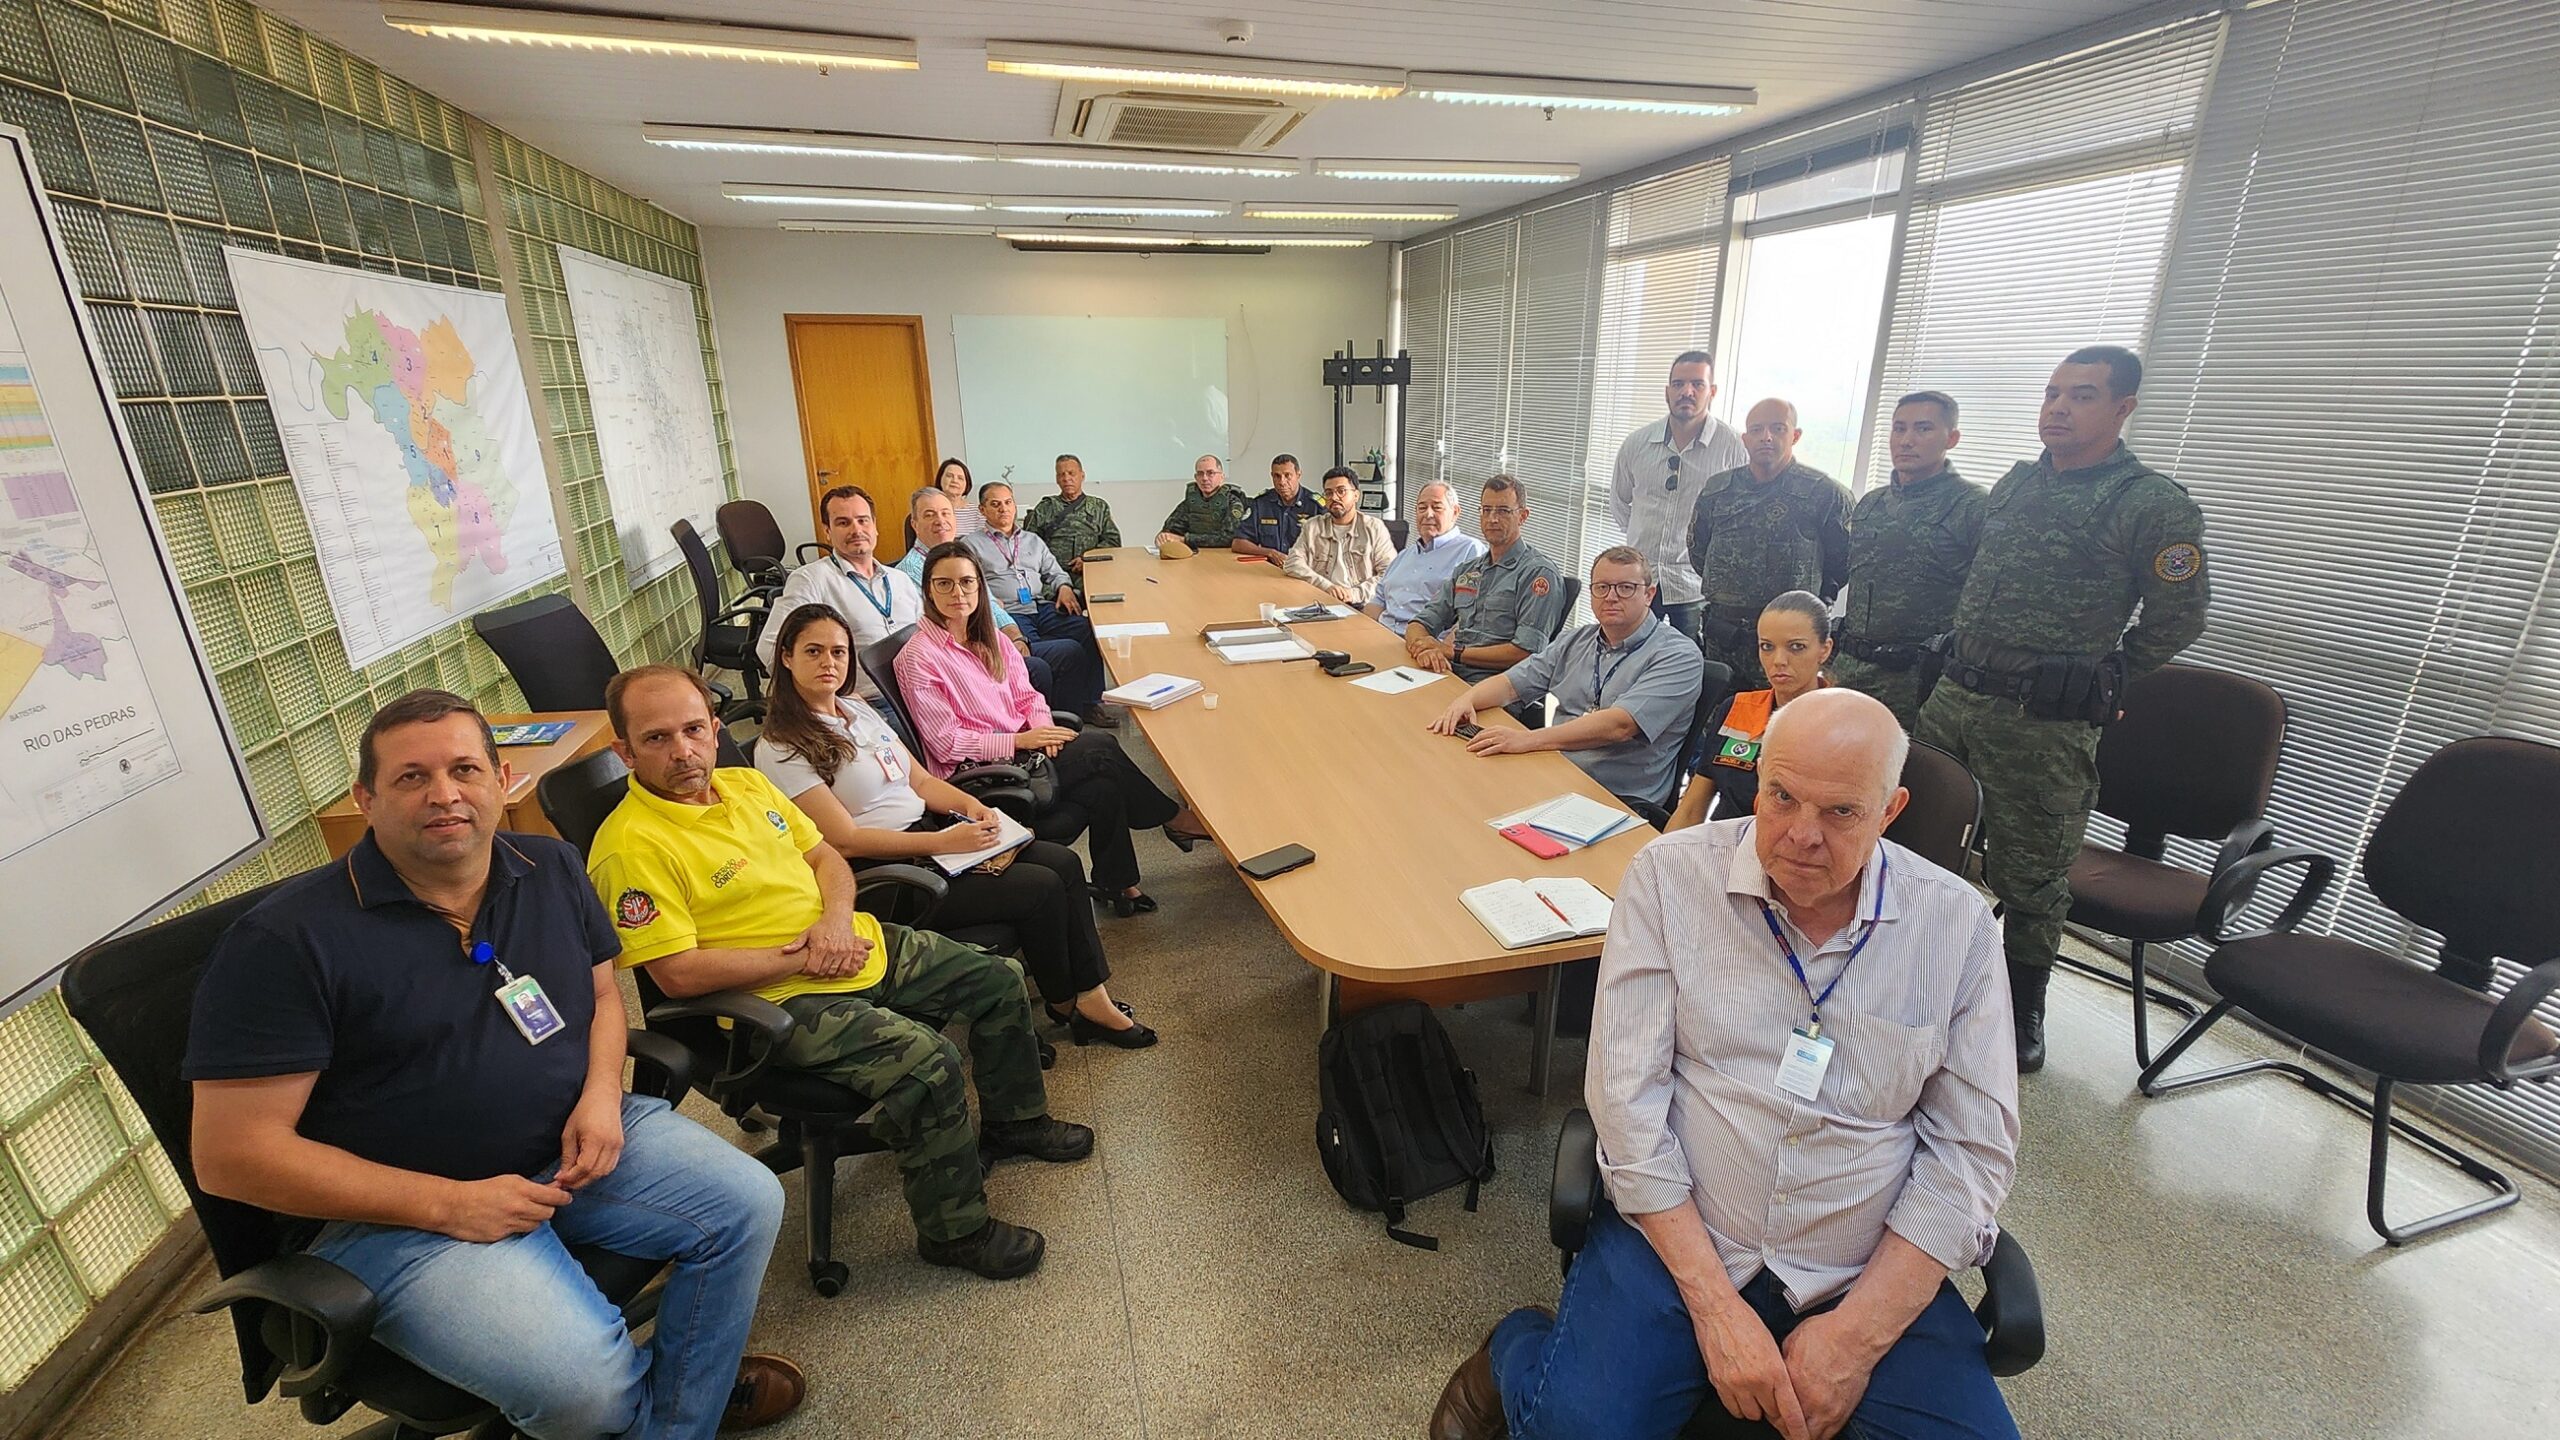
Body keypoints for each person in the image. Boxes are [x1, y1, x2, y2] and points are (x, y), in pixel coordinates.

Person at [185, 689, 805, 1437]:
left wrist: (603, 1094)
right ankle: (670, 1399)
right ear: (366, 798)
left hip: (577, 1145)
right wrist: (450, 1204)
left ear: (502, 779)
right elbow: (231, 1158)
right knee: (586, 1393)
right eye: (411, 778)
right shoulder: (283, 945)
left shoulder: (547, 865)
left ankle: (673, 1415)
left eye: (464, 770)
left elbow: (604, 996)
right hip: (405, 1213)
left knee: (748, 1201)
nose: (445, 794)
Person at [1432, 688, 2021, 1440]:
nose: (1801, 836)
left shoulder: (1957, 925)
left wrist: (1856, 1337)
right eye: (1781, 797)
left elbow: (1971, 1152)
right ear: (1758, 779)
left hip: (1862, 1261)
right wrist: (1714, 1306)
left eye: (1841, 812)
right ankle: (1516, 1347)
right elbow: (1626, 1100)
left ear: (1891, 810)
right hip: (1683, 1239)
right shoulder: (1669, 877)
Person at [587, 665, 1094, 1281]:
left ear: (716, 729)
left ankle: (1016, 1123)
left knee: (997, 982)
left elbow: (827, 856)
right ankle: (954, 1232)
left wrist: (833, 923)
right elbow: (677, 975)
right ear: (624, 750)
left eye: (694, 730)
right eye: (656, 738)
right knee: (927, 1061)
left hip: (848, 945)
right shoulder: (629, 846)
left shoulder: (745, 785)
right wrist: (806, 956)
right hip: (775, 1000)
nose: (683, 751)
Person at [1916, 346, 2209, 1074]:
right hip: (1956, 697)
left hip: (2039, 724)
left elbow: (2181, 616)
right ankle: (1912, 974)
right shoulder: (2015, 485)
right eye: (2052, 393)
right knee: (1917, 840)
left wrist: (2107, 677)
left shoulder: (2151, 503)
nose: (2058, 407)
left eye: (2081, 395)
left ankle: (2021, 1009)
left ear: (2123, 409)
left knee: (2031, 872)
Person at [759, 603, 1155, 1049]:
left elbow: (923, 781)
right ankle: (1069, 1002)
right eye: (813, 652)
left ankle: (1086, 997)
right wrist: (945, 839)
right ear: (786, 657)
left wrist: (974, 809)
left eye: (838, 652)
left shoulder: (855, 712)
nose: (828, 663)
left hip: (932, 835)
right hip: (887, 872)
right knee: (1040, 886)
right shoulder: (780, 746)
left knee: (1062, 864)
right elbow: (843, 842)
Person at [896, 542, 1211, 918]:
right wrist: (1021, 740)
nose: (957, 593)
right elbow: (946, 744)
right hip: (978, 778)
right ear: (927, 590)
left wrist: (1044, 730)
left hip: (1025, 754)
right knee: (1099, 746)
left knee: (1103, 785)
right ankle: (1175, 819)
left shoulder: (992, 639)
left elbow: (1028, 697)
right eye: (944, 584)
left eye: (966, 582)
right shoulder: (919, 656)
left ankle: (1118, 882)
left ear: (980, 587)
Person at [1428, 547, 1705, 814]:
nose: (1611, 597)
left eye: (1625, 588)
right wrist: (1467, 699)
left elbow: (1619, 726)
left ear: (1649, 594)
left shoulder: (1678, 655)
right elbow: (1512, 683)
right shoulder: (1578, 639)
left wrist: (1527, 740)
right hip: (1552, 769)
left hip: (1613, 797)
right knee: (1454, 791)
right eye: (1602, 587)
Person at [1832, 394, 1987, 730]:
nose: (1906, 440)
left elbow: (1990, 599)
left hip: (1918, 682)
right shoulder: (1871, 504)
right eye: (1899, 428)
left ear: (1952, 438)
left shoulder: (1973, 507)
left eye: (1923, 429)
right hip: (1850, 670)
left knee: (1909, 777)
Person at [1687, 399, 1851, 691]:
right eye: (1757, 429)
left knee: (1783, 725)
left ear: (1795, 435)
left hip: (1789, 642)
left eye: (1778, 428)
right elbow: (1700, 551)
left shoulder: (1824, 493)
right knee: (1722, 723)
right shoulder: (1717, 490)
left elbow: (1844, 561)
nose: (1766, 437)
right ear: (1745, 439)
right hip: (1724, 636)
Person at [1609, 350, 1749, 646]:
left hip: (1693, 586)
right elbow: (1620, 503)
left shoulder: (1733, 447)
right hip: (1639, 581)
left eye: (1697, 384)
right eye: (1678, 384)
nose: (1687, 391)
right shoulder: (1637, 443)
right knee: (1629, 656)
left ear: (1712, 392)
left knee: (1690, 666)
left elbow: (1740, 518)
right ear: (1667, 391)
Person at [1667, 592, 1836, 832]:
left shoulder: (1842, 727)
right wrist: (1659, 860)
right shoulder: (1736, 708)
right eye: (1767, 647)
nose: (1778, 660)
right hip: (1721, 848)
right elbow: (1692, 807)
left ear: (1824, 649)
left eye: (1796, 647)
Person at [895, 487, 1075, 705]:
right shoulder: (908, 572)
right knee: (1036, 670)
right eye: (929, 514)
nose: (940, 521)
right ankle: (1030, 731)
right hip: (964, 657)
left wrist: (1015, 637)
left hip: (995, 639)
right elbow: (936, 630)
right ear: (914, 524)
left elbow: (990, 604)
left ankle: (1062, 725)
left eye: (945, 513)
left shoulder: (961, 556)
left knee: (1069, 652)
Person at [966, 481, 1119, 725]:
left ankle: (1090, 704)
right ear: (983, 510)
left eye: (1008, 503)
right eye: (995, 505)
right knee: (1052, 651)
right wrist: (993, 604)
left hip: (1040, 606)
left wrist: (1065, 587)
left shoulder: (1032, 540)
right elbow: (975, 586)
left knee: (1086, 630)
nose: (1003, 509)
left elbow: (1055, 572)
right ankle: (1050, 711)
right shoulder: (971, 545)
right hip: (1010, 614)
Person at [1404, 475, 1570, 686]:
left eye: (1502, 511)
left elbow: (1526, 652)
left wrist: (1452, 652)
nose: (1492, 519)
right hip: (1450, 675)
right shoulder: (1467, 571)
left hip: (1498, 686)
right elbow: (1419, 623)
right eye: (1486, 510)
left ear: (1523, 516)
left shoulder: (1537, 574)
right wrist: (1424, 648)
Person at [1368, 480, 1487, 631]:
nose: (1428, 514)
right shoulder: (1405, 555)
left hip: (1427, 646)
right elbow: (1377, 600)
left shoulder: (1471, 551)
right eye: (1422, 508)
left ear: (1455, 512)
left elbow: (1472, 615)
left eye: (1437, 507)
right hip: (1383, 635)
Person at [1282, 465, 1397, 604]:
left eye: (1341, 491)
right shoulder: (1313, 526)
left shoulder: (1374, 528)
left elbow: (1391, 574)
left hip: (1362, 604)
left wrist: (1354, 594)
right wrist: (1326, 586)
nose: (1334, 497)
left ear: (1356, 495)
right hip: (1320, 602)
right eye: (1328, 493)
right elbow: (1292, 563)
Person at [1024, 453, 1121, 584]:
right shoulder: (1044, 508)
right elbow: (1029, 545)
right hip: (1052, 577)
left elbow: (1113, 541)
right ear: (1057, 479)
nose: (1066, 478)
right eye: (1061, 474)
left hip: (1091, 572)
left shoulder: (1099, 507)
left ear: (1082, 476)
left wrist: (1086, 560)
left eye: (1071, 473)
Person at [1233, 453, 1323, 564]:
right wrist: (1269, 552)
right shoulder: (1261, 504)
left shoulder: (1315, 506)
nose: (1282, 482)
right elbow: (1238, 543)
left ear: (1298, 475)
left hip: (1306, 568)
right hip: (1270, 569)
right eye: (1277, 476)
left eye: (1287, 475)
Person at [1156, 453, 1251, 552]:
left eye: (1210, 473)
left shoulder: (1233, 503)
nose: (1205, 478)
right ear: (1196, 477)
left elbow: (1228, 538)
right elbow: (1171, 529)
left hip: (1223, 557)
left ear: (1222, 477)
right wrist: (1164, 538)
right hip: (1195, 556)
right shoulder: (1191, 502)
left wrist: (1185, 540)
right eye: (1200, 474)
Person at [931, 457, 984, 538]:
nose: (955, 481)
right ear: (940, 479)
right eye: (949, 476)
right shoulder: (930, 511)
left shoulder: (978, 512)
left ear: (967, 484)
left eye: (960, 478)